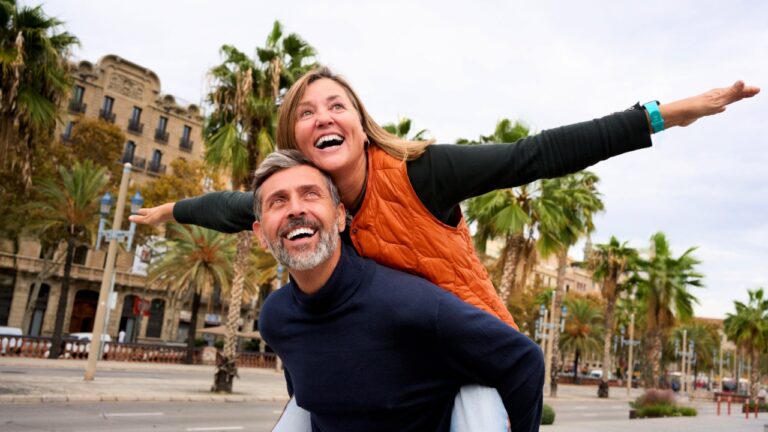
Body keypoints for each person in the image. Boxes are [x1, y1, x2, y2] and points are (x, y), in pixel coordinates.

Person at [130, 68, 759, 330]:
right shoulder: (300, 204)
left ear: (358, 119)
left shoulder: (422, 172)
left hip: (473, 343)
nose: (323, 116)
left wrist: (663, 115)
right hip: (391, 355)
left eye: (336, 105)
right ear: (293, 136)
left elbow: (533, 155)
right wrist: (169, 210)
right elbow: (225, 206)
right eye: (306, 112)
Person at [252, 149, 543, 431]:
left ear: (340, 217)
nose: (296, 209)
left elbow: (523, 360)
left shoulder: (410, 304)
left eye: (310, 194)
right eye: (278, 202)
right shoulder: (276, 319)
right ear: (261, 236)